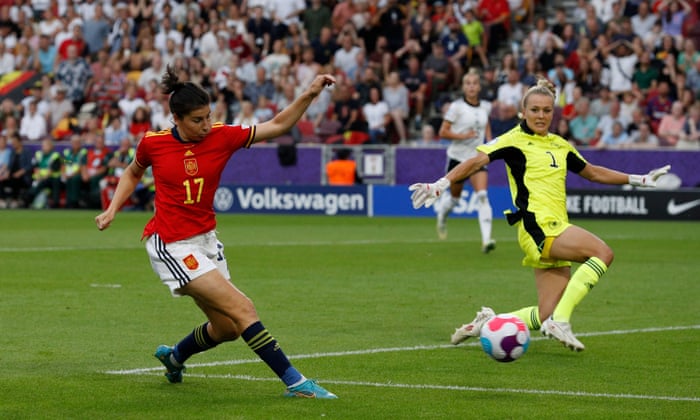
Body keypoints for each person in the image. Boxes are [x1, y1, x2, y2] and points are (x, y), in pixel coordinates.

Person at [94, 65, 338, 399]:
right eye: (198, 120)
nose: (207, 125)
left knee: (227, 329)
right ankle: (296, 383)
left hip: (206, 240)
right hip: (172, 244)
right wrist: (112, 209)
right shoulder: (154, 143)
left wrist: (309, 93)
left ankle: (175, 356)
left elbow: (279, 124)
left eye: (209, 116)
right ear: (176, 119)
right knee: (244, 309)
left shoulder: (221, 136)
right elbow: (133, 172)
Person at [409, 78, 670, 352]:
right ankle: (562, 322)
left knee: (543, 314)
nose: (541, 116)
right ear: (523, 111)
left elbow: (592, 172)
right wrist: (441, 184)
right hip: (539, 227)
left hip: (555, 227)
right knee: (602, 253)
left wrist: (638, 179)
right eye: (535, 110)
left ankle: (488, 323)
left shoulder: (560, 144)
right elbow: (476, 161)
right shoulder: (513, 140)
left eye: (546, 110)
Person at [434, 69, 495, 253]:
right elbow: (442, 132)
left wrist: (490, 145)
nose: (471, 87)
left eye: (475, 83)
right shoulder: (456, 107)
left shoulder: (486, 106)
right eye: (468, 83)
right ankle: (442, 216)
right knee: (454, 199)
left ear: (479, 86)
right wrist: (463, 136)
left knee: (483, 196)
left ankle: (486, 240)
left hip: (476, 158)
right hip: (457, 158)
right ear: (463, 87)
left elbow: (486, 127)